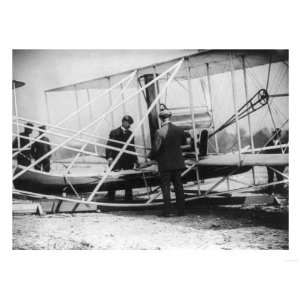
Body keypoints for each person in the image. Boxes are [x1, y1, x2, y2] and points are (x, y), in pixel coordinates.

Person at [148, 108, 187, 217]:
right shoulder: (179, 130)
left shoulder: (160, 132)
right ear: (170, 117)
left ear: (161, 119)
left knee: (165, 188)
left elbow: (156, 149)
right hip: (178, 163)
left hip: (165, 164)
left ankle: (167, 211)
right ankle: (181, 211)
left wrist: (150, 157)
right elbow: (183, 143)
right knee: (179, 187)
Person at [105, 115, 138, 201]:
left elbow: (132, 148)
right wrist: (109, 158)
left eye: (130, 124)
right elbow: (109, 146)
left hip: (128, 161)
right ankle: (111, 198)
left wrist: (136, 160)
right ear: (123, 122)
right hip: (116, 160)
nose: (129, 125)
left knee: (128, 180)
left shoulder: (130, 134)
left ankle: (128, 199)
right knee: (113, 180)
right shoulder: (114, 132)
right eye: (128, 123)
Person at [265, 128, 285, 194]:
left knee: (279, 177)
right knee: (270, 177)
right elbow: (266, 152)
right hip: (270, 164)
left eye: (278, 134)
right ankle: (269, 191)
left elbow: (285, 154)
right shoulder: (269, 143)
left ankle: (280, 191)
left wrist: (283, 164)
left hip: (279, 164)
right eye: (275, 134)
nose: (276, 135)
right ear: (273, 135)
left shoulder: (283, 144)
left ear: (279, 135)